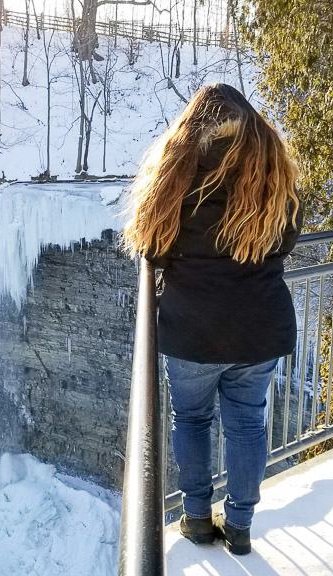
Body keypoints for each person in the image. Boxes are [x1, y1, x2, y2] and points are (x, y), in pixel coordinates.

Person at [121, 83, 302, 556]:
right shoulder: (271, 171)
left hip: (192, 330)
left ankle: (197, 518)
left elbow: (152, 247)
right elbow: (285, 241)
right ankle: (240, 525)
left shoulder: (178, 170)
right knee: (247, 423)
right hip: (258, 327)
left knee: (192, 419)